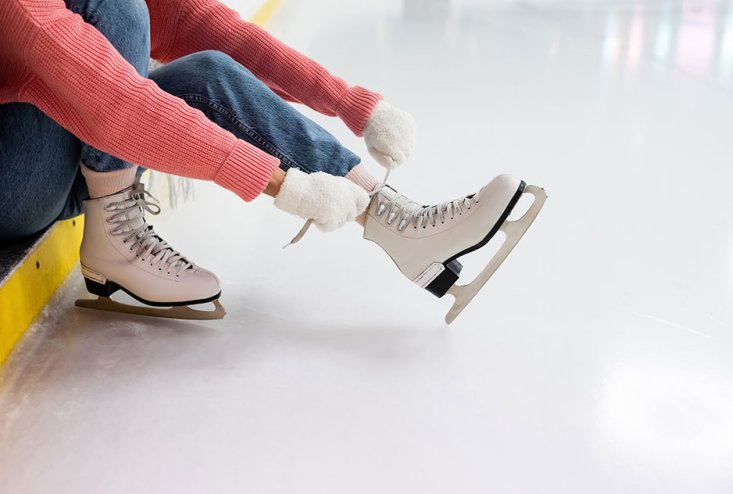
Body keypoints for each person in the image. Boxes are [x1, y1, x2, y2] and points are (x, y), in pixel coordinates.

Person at [0, 0, 544, 324]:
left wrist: (352, 104)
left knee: (205, 72)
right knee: (116, 11)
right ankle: (115, 234)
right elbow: (114, 100)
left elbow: (207, 27)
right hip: (11, 182)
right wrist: (280, 184)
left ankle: (394, 221)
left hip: (58, 154)